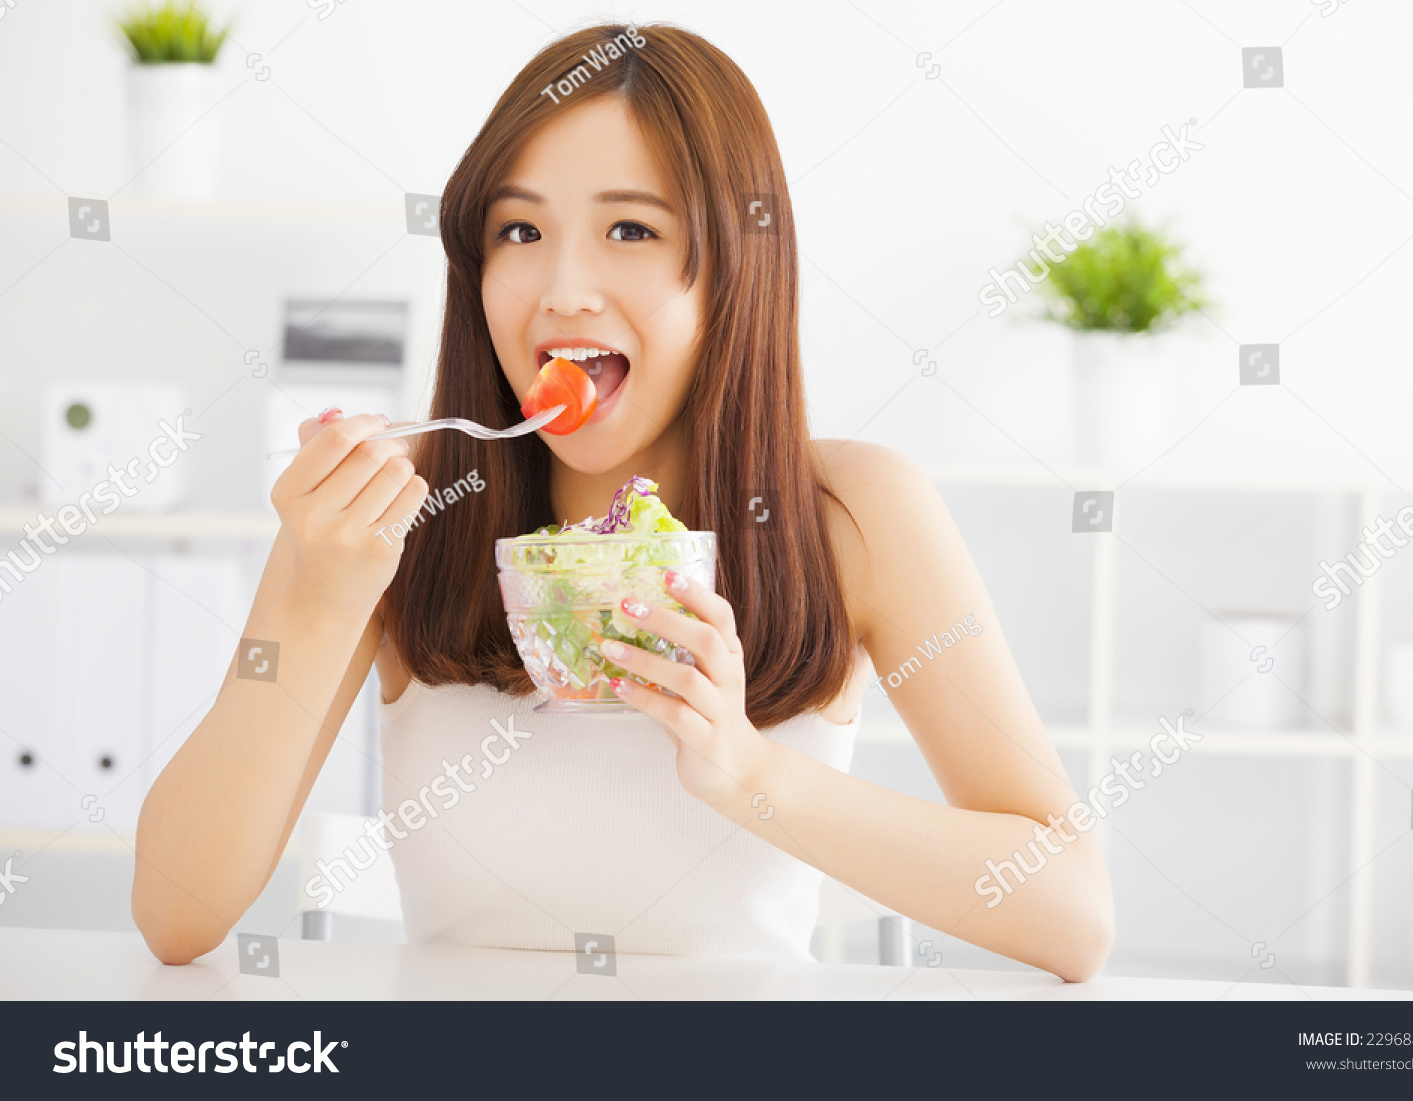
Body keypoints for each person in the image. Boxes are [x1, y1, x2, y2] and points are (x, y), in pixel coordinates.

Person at [133, 22, 1113, 980]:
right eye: (520, 230)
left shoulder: (852, 512)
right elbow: (178, 914)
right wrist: (316, 598)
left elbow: (1070, 916)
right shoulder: (395, 509)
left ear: (737, 263)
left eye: (631, 229)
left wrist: (750, 773)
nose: (561, 288)